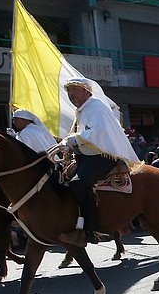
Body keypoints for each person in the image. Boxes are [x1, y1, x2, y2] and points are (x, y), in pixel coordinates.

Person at [58, 78, 140, 247]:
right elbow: (79, 134)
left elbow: (98, 133)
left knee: (78, 184)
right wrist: (67, 144)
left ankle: (94, 230)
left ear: (86, 91)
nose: (71, 94)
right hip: (87, 155)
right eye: (69, 90)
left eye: (75, 89)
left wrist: (73, 140)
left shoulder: (96, 107)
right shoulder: (82, 110)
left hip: (103, 156)